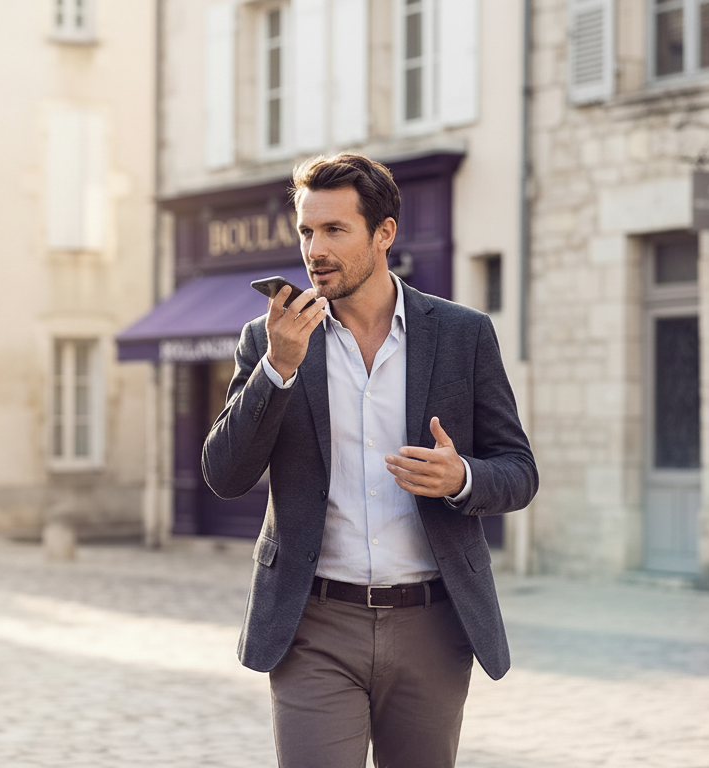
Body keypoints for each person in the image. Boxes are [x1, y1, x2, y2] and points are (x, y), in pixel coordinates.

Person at [202, 153, 537, 768]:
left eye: (335, 230)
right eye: (307, 231)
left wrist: (461, 477)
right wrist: (277, 370)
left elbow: (519, 471)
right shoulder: (269, 338)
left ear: (384, 233)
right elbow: (225, 475)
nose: (315, 250)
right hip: (314, 625)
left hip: (432, 625)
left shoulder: (463, 335)